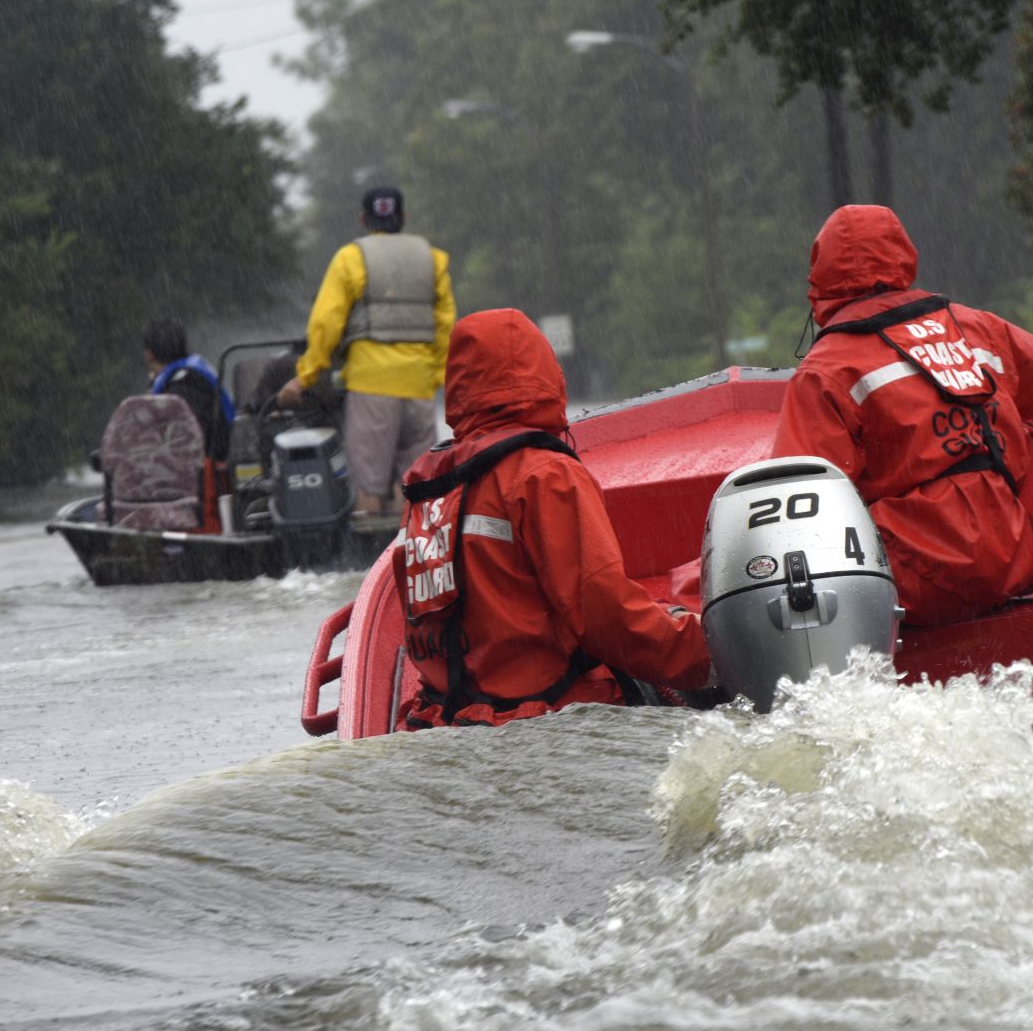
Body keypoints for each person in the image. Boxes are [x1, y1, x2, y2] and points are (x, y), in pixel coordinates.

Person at [771, 203, 1033, 626]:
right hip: (1011, 563)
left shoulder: (824, 371)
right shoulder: (976, 327)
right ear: (903, 256)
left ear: (821, 279)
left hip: (913, 586)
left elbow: (797, 499)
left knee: (712, 573)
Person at [396, 308, 711, 728]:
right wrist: (709, 651)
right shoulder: (544, 474)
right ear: (545, 372)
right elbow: (607, 617)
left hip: (442, 721)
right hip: (549, 719)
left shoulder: (428, 489)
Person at [280, 185, 455, 514]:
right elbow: (446, 326)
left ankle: (369, 556)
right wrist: (436, 377)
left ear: (364, 219)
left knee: (368, 484)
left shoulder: (352, 258)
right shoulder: (432, 259)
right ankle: (410, 556)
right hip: (418, 387)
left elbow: (326, 323)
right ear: (402, 217)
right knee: (415, 483)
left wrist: (306, 376)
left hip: (371, 386)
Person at [142, 318, 234, 460]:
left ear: (149, 354)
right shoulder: (192, 373)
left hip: (204, 466)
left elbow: (188, 437)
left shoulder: (185, 383)